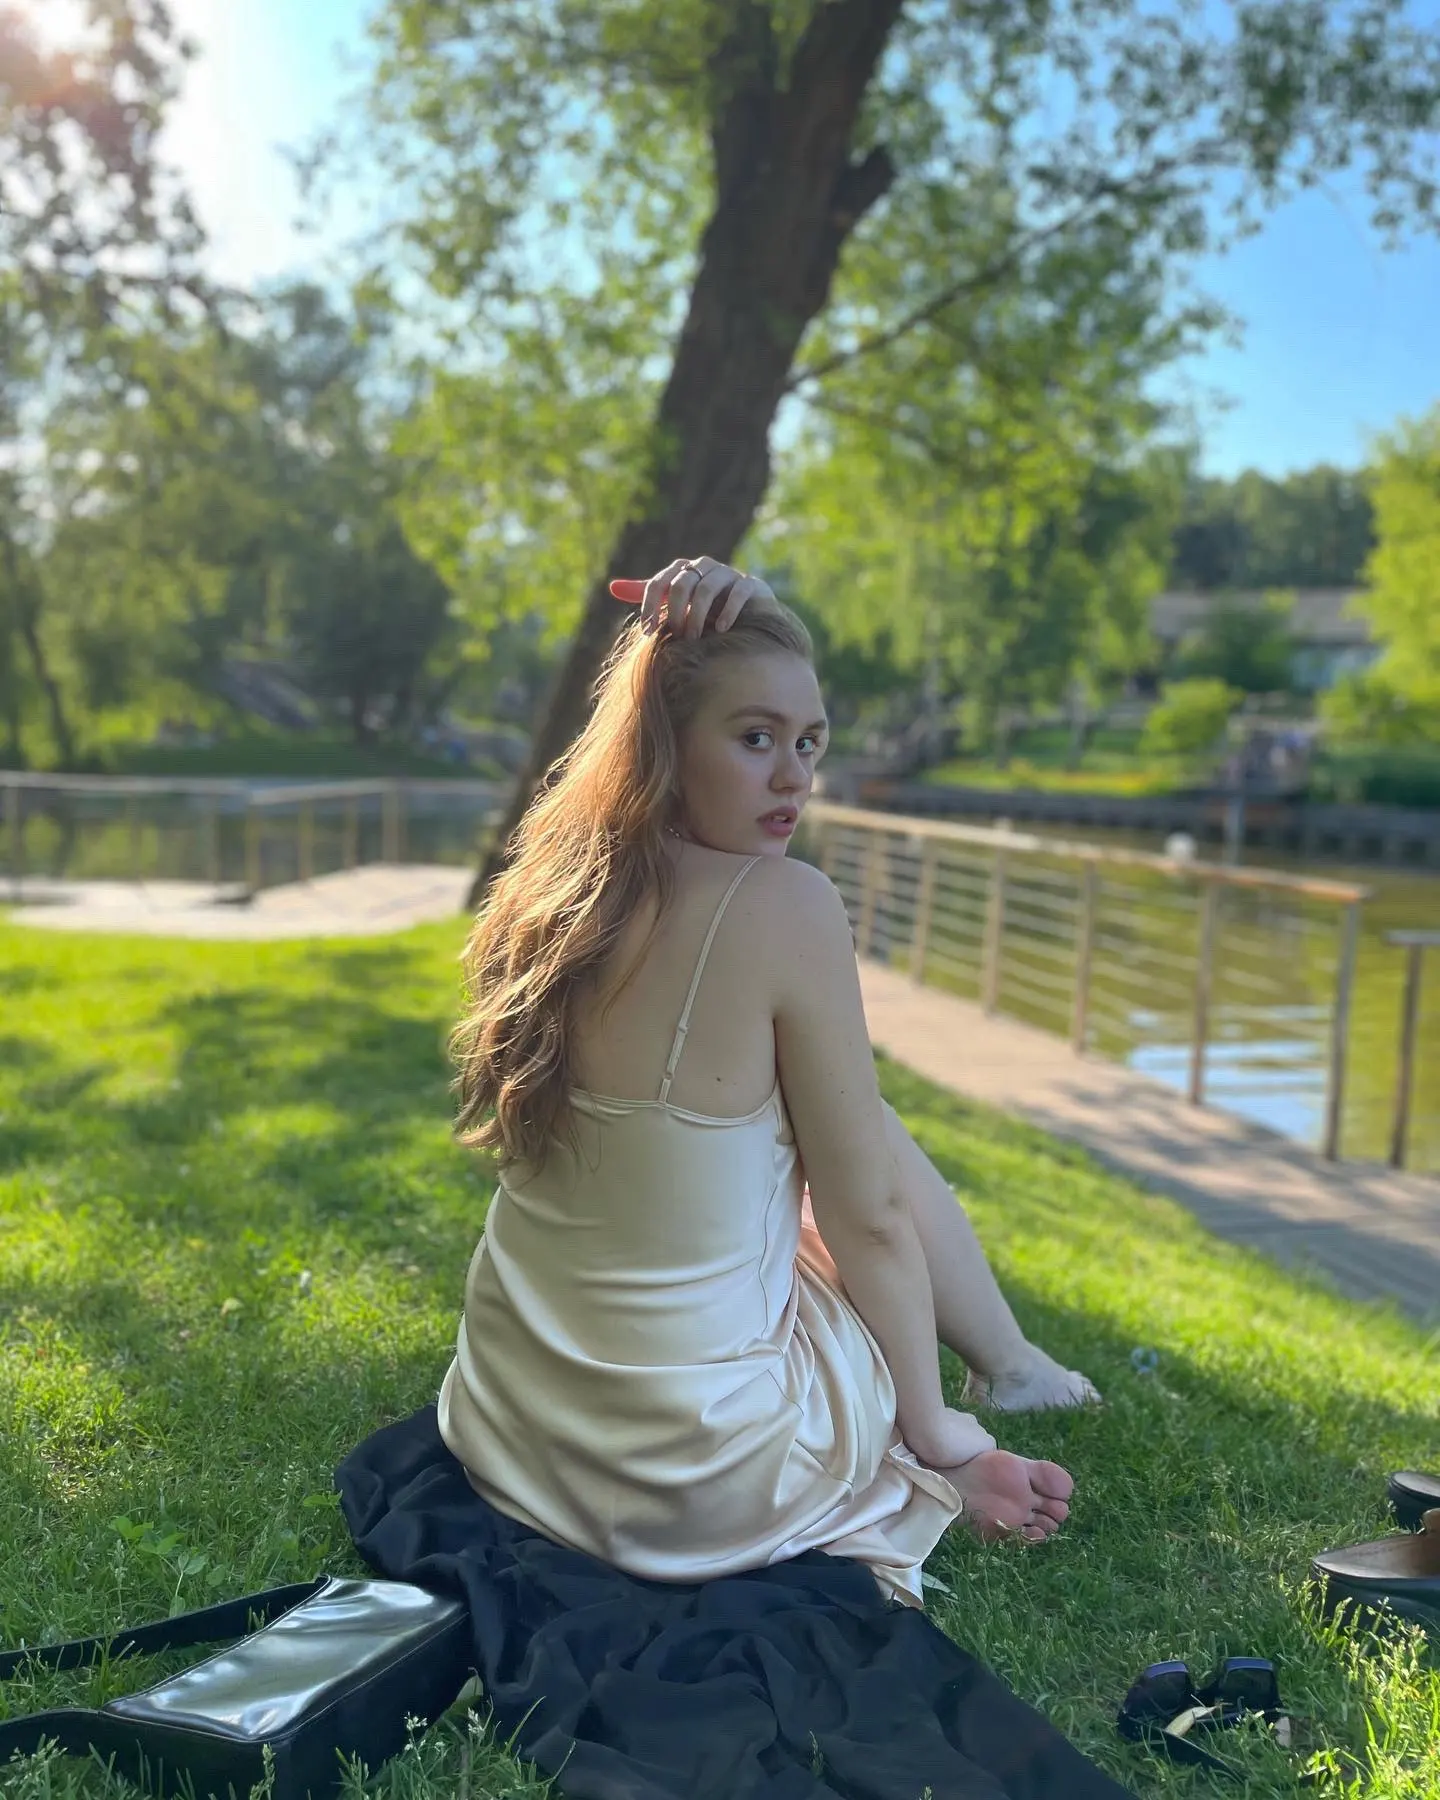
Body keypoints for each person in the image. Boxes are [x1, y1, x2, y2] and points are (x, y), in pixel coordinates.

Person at [436, 556, 1091, 1613]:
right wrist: (934, 1436)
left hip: (513, 1429)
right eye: (755, 739)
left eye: (809, 743)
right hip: (695, 1481)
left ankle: (1015, 1362)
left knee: (837, 1126)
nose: (794, 778)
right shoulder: (787, 905)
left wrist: (751, 619)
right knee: (855, 1157)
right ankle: (1006, 1371)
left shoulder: (553, 898)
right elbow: (868, 1220)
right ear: (666, 745)